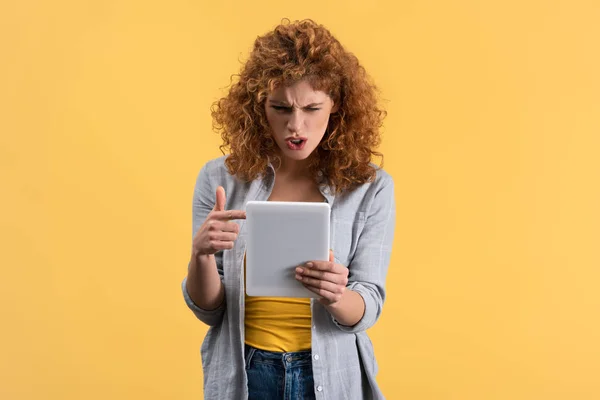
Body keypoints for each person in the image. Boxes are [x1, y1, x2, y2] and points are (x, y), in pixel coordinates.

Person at [181, 18, 396, 400]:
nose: (296, 126)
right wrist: (200, 255)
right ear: (257, 107)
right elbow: (210, 311)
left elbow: (369, 305)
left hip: (330, 375)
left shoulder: (370, 187)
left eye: (312, 108)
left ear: (337, 107)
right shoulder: (219, 178)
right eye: (280, 108)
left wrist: (336, 295)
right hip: (244, 373)